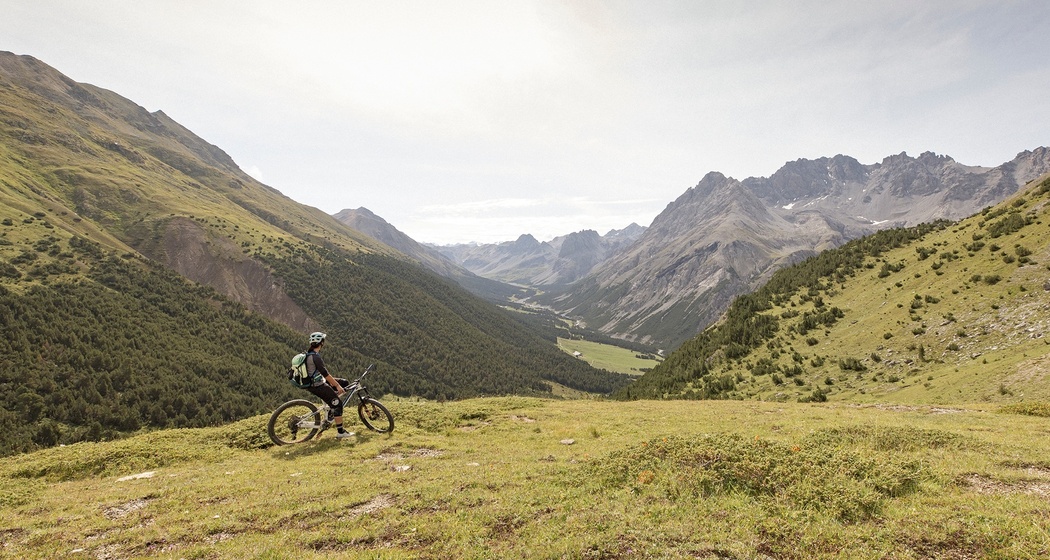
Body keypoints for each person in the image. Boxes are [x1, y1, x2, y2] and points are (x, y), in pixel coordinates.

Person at [301, 332, 354, 439]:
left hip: (317, 381)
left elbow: (322, 375)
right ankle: (341, 432)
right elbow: (326, 374)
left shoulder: (309, 354)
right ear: (321, 343)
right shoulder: (315, 357)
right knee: (338, 404)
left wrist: (338, 384)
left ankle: (331, 408)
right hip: (317, 385)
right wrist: (337, 386)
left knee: (344, 382)